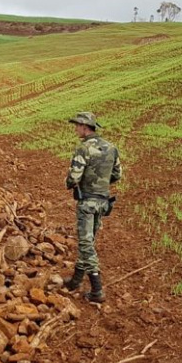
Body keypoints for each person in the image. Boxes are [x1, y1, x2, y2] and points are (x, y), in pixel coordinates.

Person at [63, 112, 122, 303]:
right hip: (103, 202)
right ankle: (75, 281)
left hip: (87, 202)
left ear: (84, 127)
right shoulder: (111, 148)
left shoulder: (83, 149)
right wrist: (101, 183)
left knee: (86, 243)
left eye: (77, 126)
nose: (75, 129)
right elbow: (117, 174)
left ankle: (97, 290)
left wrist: (71, 183)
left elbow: (74, 178)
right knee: (89, 240)